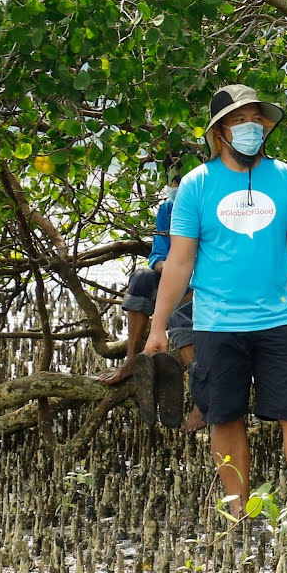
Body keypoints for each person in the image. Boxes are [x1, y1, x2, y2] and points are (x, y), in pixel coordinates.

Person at [147, 85, 287, 523]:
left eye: (257, 120)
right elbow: (178, 262)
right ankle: (238, 515)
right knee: (224, 420)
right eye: (239, 120)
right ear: (219, 132)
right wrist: (157, 328)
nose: (251, 128)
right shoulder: (196, 184)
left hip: (279, 323)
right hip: (215, 324)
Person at [100, 168, 198, 428]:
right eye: (171, 182)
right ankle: (132, 359)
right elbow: (157, 256)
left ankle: (201, 399)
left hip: (201, 284)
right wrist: (168, 269)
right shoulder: (167, 210)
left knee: (180, 310)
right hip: (173, 277)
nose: (174, 187)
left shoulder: (207, 207)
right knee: (142, 277)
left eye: (180, 182)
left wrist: (181, 274)